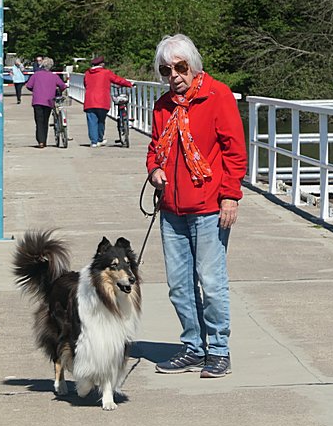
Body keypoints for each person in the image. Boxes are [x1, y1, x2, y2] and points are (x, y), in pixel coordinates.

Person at [146, 34, 247, 379]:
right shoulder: (163, 106)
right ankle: (193, 347)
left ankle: (218, 351)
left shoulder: (218, 96)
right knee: (179, 286)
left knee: (211, 282)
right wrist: (154, 171)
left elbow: (235, 151)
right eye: (166, 70)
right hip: (172, 209)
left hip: (209, 207)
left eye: (180, 67)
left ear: (194, 65)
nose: (174, 75)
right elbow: (154, 149)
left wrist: (230, 195)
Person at [83, 55, 132, 147]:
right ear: (102, 64)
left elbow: (85, 84)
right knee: (101, 121)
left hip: (89, 100)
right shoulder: (106, 73)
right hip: (102, 101)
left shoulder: (87, 74)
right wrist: (129, 84)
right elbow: (117, 80)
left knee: (92, 121)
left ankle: (94, 142)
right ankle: (99, 139)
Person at [24, 57, 67, 148]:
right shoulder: (54, 76)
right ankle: (44, 140)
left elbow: (28, 85)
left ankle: (41, 141)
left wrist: (35, 90)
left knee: (39, 121)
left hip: (37, 101)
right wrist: (58, 91)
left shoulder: (36, 75)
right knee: (45, 121)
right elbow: (63, 86)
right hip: (49, 101)